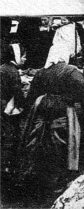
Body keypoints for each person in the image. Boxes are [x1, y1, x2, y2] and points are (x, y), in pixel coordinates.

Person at [18, 55, 84, 194]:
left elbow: (33, 93)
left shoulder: (42, 71)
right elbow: (81, 89)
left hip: (43, 106)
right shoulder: (71, 70)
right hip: (62, 108)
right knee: (63, 142)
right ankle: (58, 180)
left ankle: (38, 178)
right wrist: (70, 99)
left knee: (39, 140)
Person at [1, 43, 25, 182]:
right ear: (16, 56)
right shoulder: (12, 71)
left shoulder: (3, 68)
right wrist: (24, 106)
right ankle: (7, 168)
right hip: (6, 106)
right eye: (23, 56)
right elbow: (17, 92)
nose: (25, 59)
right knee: (10, 135)